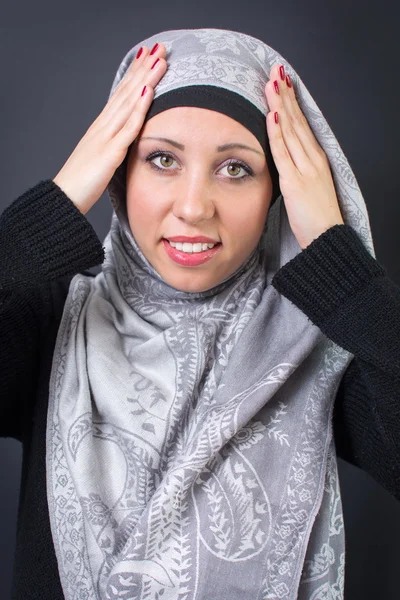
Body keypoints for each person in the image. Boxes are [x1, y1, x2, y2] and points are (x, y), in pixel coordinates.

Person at [1, 27, 399, 600]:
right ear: (116, 174)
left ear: (278, 192)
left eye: (235, 169)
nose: (193, 207)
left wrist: (338, 260)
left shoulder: (306, 351)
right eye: (160, 159)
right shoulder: (52, 322)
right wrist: (60, 199)